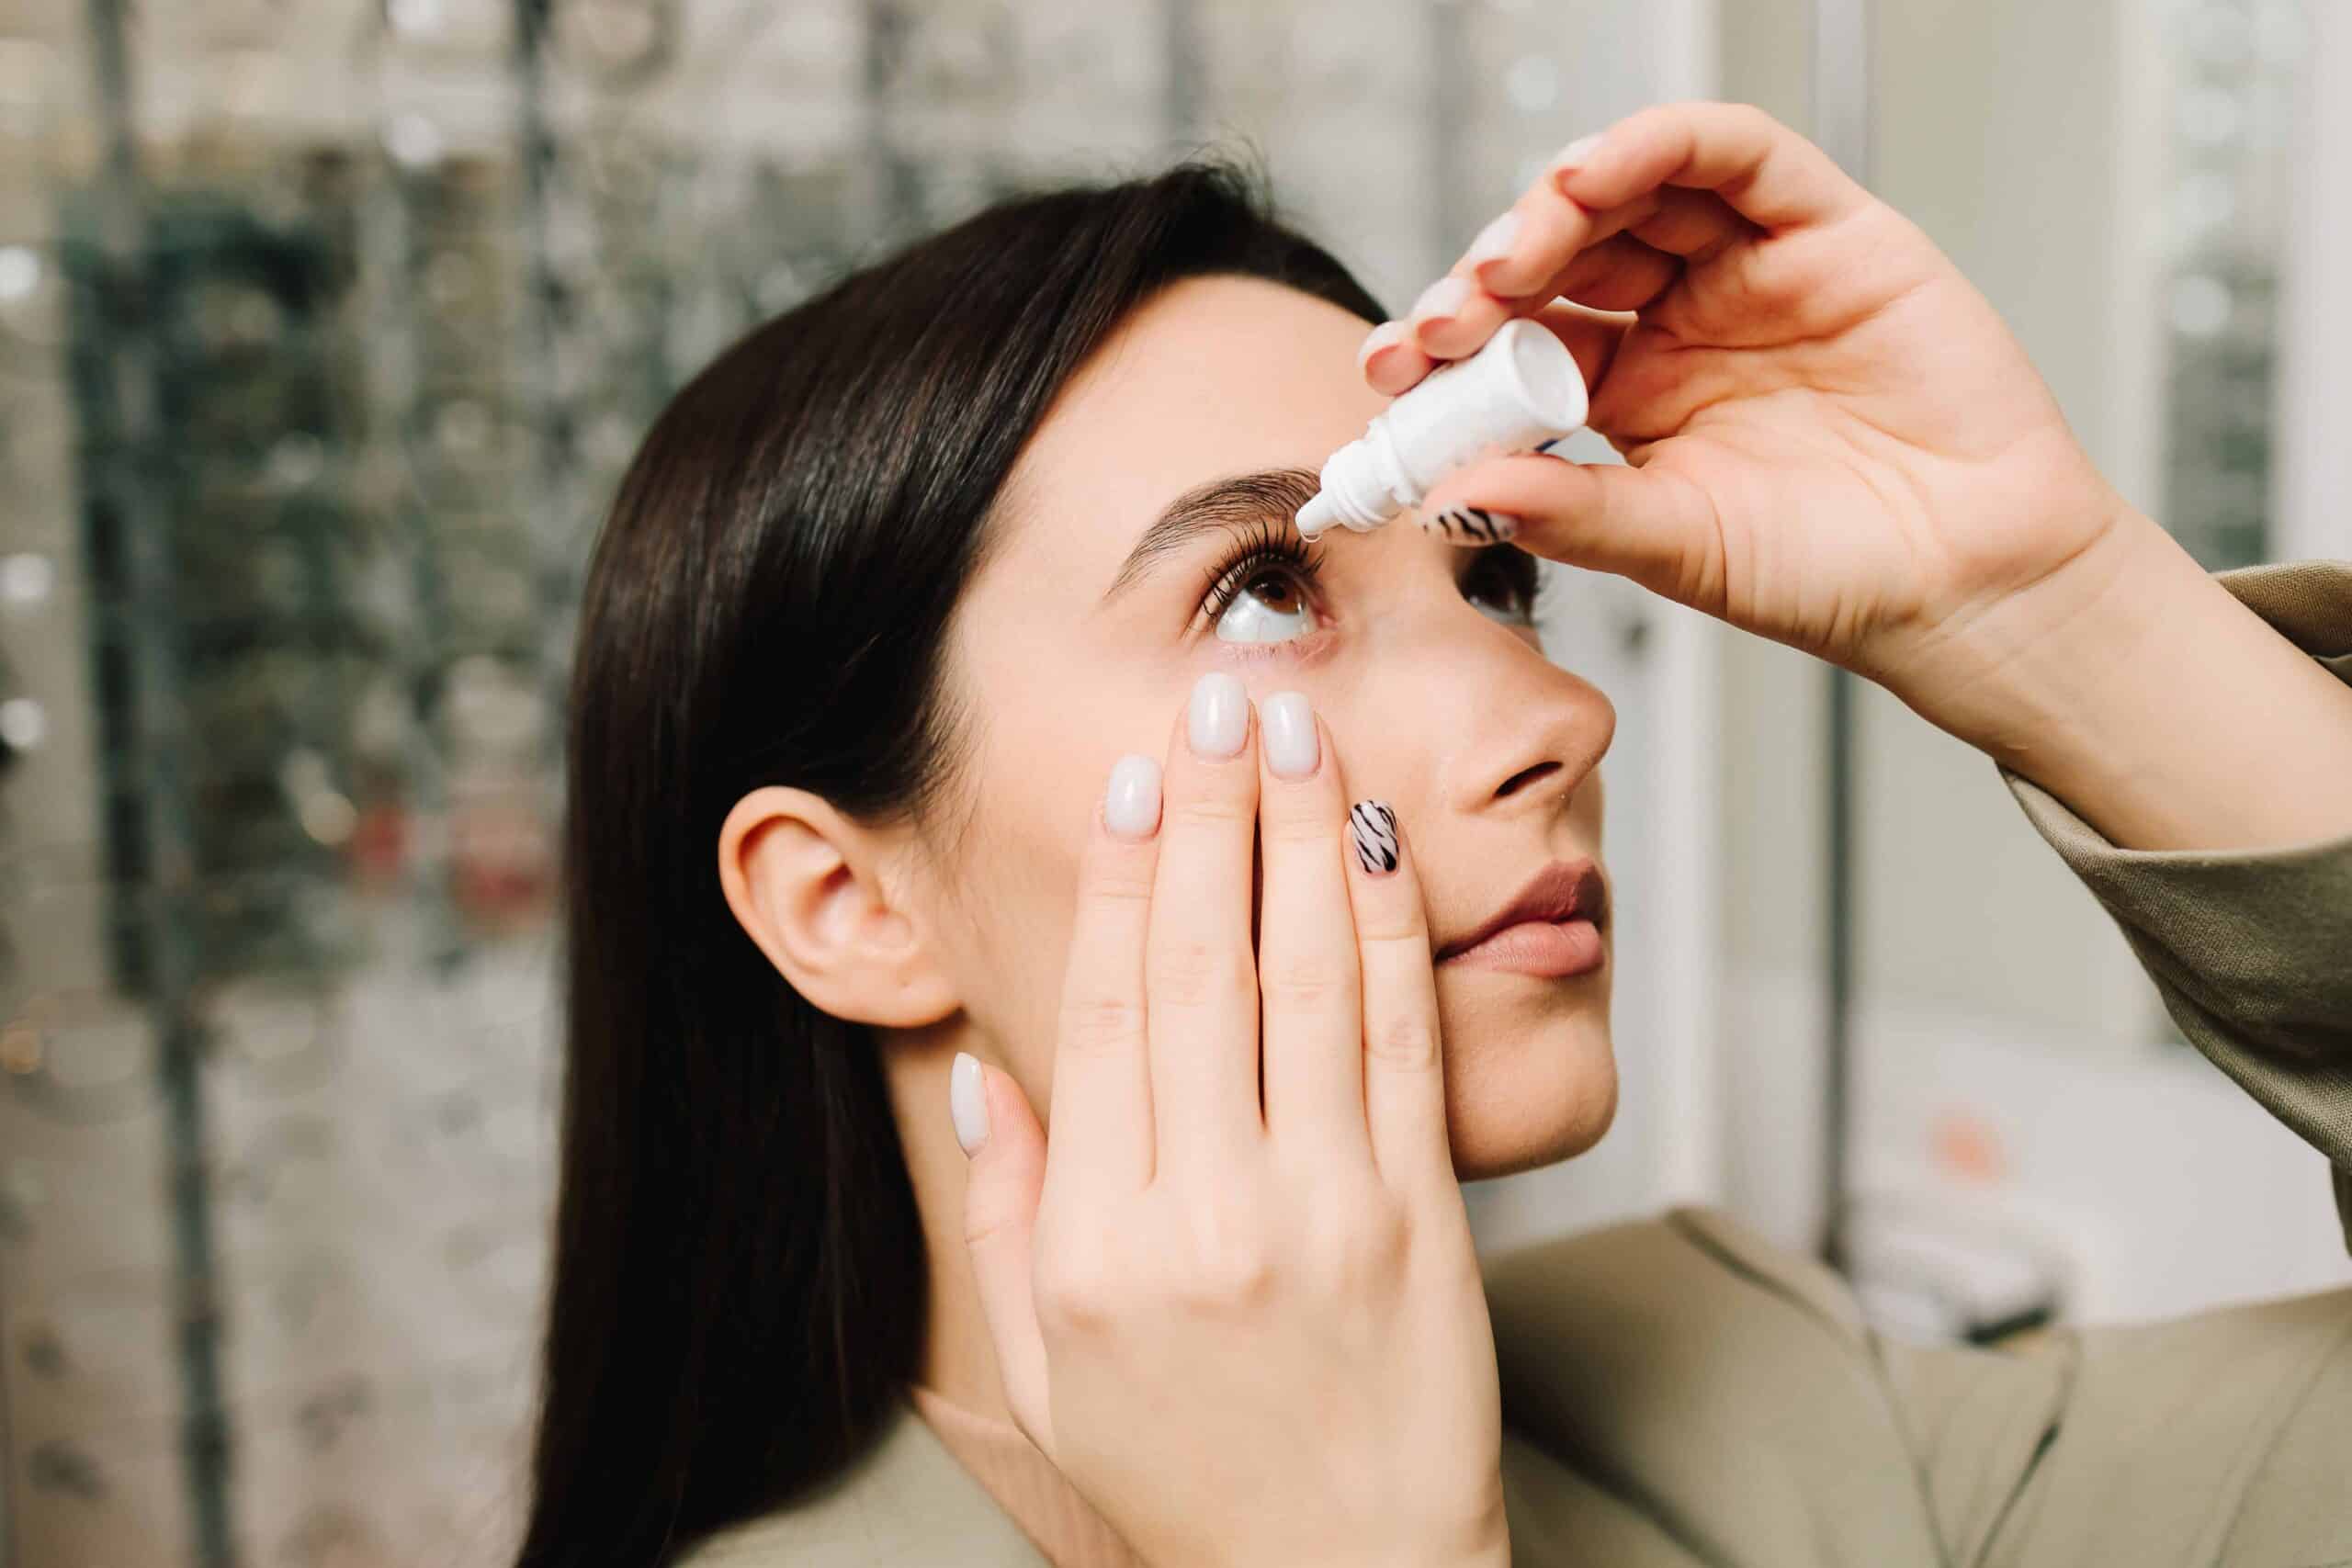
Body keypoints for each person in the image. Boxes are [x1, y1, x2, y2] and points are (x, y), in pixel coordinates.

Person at [514, 103, 2352, 1568]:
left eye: (1493, 578)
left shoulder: (1739, 1395)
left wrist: (2053, 610)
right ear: (842, 900)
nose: (1557, 716)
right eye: (1254, 592)